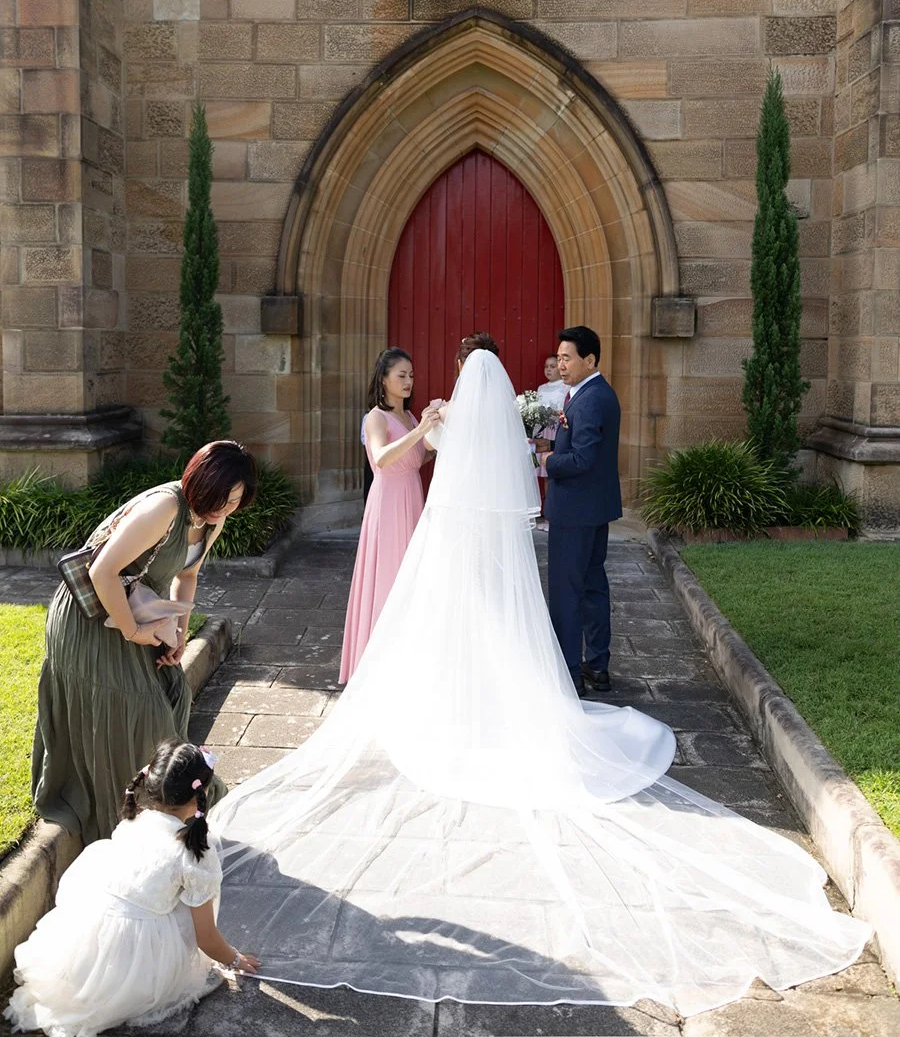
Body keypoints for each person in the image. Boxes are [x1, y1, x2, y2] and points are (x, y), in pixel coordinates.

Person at [209, 350, 868, 1018]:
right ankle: (478, 700)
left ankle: (451, 704)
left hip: (446, 530)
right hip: (460, 529)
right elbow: (430, 455)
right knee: (488, 621)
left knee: (443, 619)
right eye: (404, 373)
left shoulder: (435, 420)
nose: (414, 381)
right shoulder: (421, 422)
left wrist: (446, 424)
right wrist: (459, 427)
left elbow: (445, 454)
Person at [32, 440, 258, 843]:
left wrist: (180, 633)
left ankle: (173, 805)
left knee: (173, 693)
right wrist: (135, 633)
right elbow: (103, 572)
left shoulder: (212, 519)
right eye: (218, 498)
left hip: (134, 609)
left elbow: (186, 576)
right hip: (90, 619)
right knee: (142, 712)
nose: (223, 509)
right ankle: (138, 819)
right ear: (196, 480)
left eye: (233, 502)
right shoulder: (164, 509)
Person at [5, 740, 260, 1037]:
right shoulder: (195, 855)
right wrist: (234, 959)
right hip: (136, 958)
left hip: (88, 933)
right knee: (193, 900)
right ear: (200, 796)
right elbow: (205, 936)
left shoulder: (136, 818)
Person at [339, 348, 439, 683]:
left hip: (412, 495)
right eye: (402, 375)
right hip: (387, 502)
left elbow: (415, 460)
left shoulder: (411, 417)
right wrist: (421, 430)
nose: (409, 381)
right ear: (384, 378)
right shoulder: (376, 417)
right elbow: (381, 458)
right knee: (390, 575)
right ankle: (379, 662)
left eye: (411, 375)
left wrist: (440, 435)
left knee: (412, 577)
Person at [540, 325, 620, 695]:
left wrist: (545, 460)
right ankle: (598, 665)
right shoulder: (593, 393)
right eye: (559, 357)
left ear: (590, 360)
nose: (561, 363)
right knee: (591, 586)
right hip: (593, 507)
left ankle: (570, 671)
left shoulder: (589, 399)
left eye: (568, 357)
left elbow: (583, 458)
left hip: (574, 510)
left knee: (566, 592)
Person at [534, 353, 567, 528]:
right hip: (543, 432)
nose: (549, 369)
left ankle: (555, 515)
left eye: (552, 366)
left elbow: (565, 410)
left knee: (554, 473)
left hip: (556, 432)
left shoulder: (564, 387)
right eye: (546, 366)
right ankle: (545, 513)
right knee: (544, 474)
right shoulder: (541, 388)